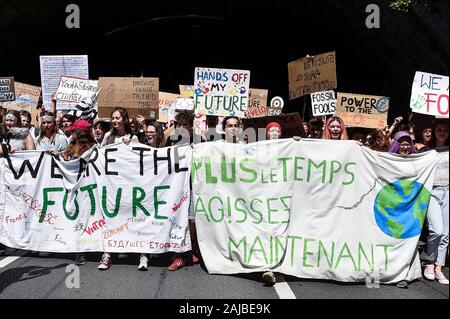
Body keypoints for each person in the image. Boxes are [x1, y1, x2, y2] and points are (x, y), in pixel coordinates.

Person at [422, 121, 449, 285]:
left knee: (446, 233)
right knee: (436, 230)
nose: (442, 132)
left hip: (448, 191)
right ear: (433, 132)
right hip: (432, 192)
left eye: (446, 130)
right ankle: (429, 263)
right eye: (439, 129)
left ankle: (438, 268)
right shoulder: (426, 151)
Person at [137, 121, 165, 271]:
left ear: (159, 134)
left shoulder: (166, 150)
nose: (149, 134)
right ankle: (143, 255)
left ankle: (156, 249)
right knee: (144, 220)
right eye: (147, 132)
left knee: (156, 221)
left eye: (152, 132)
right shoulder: (140, 148)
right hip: (145, 191)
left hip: (161, 191)